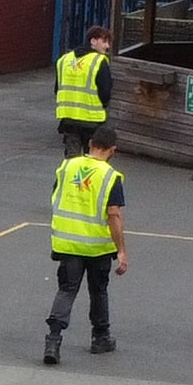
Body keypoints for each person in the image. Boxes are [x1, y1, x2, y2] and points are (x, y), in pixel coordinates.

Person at [39, 122, 128, 366]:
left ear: (90, 144)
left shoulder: (67, 167)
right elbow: (114, 215)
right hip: (97, 246)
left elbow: (56, 196)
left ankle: (53, 340)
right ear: (113, 150)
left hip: (67, 242)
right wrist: (121, 250)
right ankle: (100, 337)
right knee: (98, 290)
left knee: (67, 290)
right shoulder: (110, 176)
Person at [52, 25, 111, 156]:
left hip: (68, 120)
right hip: (92, 121)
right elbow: (105, 92)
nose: (107, 46)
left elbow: (57, 89)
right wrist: (103, 105)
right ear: (93, 41)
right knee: (91, 160)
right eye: (104, 41)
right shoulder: (99, 61)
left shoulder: (64, 60)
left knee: (72, 161)